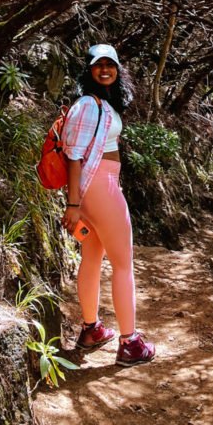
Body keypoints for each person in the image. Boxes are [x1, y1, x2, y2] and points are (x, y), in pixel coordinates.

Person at [61, 44, 156, 367]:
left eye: (110, 64)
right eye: (97, 64)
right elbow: (72, 156)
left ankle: (91, 330)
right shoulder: (88, 104)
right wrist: (73, 203)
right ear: (88, 70)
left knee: (92, 256)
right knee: (123, 263)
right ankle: (129, 343)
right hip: (99, 187)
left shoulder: (100, 103)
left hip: (96, 187)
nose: (105, 69)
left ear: (117, 69)